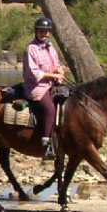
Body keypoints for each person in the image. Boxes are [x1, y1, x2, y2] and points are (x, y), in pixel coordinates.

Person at [22, 17, 66, 160]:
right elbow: (34, 73)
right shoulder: (31, 49)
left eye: (46, 31)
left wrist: (60, 70)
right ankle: (45, 145)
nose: (44, 34)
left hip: (52, 84)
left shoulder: (51, 47)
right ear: (36, 31)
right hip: (37, 87)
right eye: (41, 31)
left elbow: (56, 64)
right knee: (49, 109)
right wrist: (53, 74)